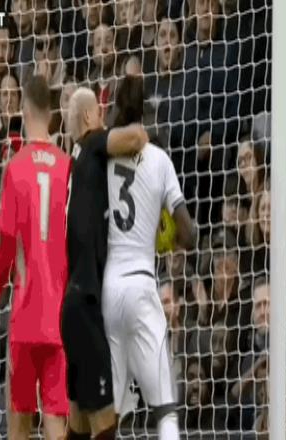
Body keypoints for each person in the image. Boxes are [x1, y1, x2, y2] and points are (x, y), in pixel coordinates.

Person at [101, 75, 196, 439]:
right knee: (164, 407)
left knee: (110, 411)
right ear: (145, 112)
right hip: (141, 283)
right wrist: (167, 236)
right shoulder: (159, 160)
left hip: (109, 287)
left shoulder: (102, 157)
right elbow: (188, 233)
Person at [0, 75, 70, 440]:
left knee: (18, 418)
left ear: (23, 108)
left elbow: (6, 246)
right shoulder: (67, 165)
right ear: (52, 113)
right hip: (58, 313)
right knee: (55, 419)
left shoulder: (15, 166)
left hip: (24, 313)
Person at [62, 86, 148, 440]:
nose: (103, 117)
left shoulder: (76, 162)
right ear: (88, 117)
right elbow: (136, 139)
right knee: (104, 425)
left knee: (78, 425)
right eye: (99, 112)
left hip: (73, 306)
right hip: (85, 305)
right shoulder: (94, 143)